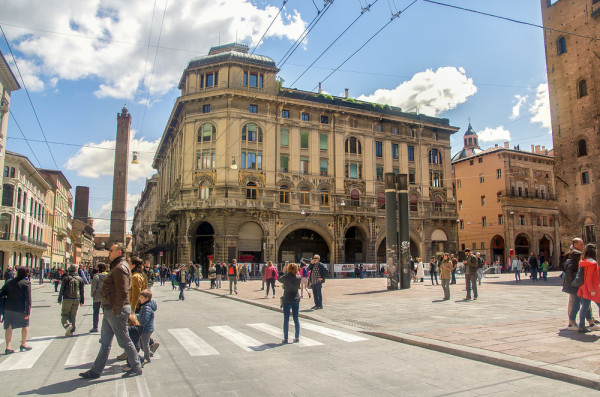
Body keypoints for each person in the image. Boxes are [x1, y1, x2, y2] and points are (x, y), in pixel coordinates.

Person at [79, 242, 142, 379]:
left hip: (115, 310)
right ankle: (96, 371)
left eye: (111, 250)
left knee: (124, 341)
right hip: (110, 309)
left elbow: (123, 291)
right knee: (105, 342)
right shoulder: (117, 266)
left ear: (119, 252)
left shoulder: (120, 268)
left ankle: (136, 367)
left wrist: (117, 310)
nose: (109, 252)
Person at [564, 240, 596, 330]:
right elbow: (572, 273)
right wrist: (573, 284)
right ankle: (572, 323)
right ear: (575, 245)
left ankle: (590, 322)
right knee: (576, 303)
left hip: (577, 283)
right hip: (576, 284)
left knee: (583, 303)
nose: (583, 245)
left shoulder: (576, 256)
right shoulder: (575, 257)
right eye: (580, 244)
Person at [0, 266, 32, 354]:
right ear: (26, 274)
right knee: (25, 325)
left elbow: (1, 293)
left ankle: (8, 347)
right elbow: (28, 299)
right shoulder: (27, 283)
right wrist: (27, 312)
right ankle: (23, 344)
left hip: (8, 308)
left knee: (8, 327)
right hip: (21, 309)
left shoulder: (9, 282)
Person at [576, 244, 600, 333]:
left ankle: (581, 326)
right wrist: (591, 290)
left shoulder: (583, 261)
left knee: (585, 306)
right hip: (591, 288)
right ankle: (581, 325)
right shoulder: (592, 263)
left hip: (584, 287)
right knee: (587, 306)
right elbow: (589, 277)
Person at [58, 264, 84, 336]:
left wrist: (60, 298)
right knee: (73, 315)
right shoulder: (80, 279)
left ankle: (67, 325)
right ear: (76, 270)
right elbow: (82, 290)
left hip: (67, 298)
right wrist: (82, 300)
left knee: (65, 314)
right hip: (76, 298)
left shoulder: (66, 278)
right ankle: (72, 330)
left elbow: (62, 289)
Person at [278, 263, 301, 343]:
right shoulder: (299, 278)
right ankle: (297, 337)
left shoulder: (285, 277)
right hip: (295, 299)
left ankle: (286, 338)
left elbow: (279, 278)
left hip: (287, 299)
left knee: (286, 320)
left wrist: (283, 271)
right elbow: (296, 275)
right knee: (296, 319)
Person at [137, 289, 157, 365]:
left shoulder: (146, 308)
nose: (140, 299)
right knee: (144, 343)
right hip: (147, 328)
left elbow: (145, 319)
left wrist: (140, 325)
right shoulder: (145, 306)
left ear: (147, 299)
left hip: (146, 329)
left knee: (145, 344)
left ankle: (147, 358)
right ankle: (149, 354)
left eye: (142, 298)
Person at [90, 263, 108, 333]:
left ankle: (95, 327)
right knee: (106, 312)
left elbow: (94, 287)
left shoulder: (96, 276)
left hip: (97, 296)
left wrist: (92, 294)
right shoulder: (108, 276)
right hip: (106, 296)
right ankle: (107, 327)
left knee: (96, 312)